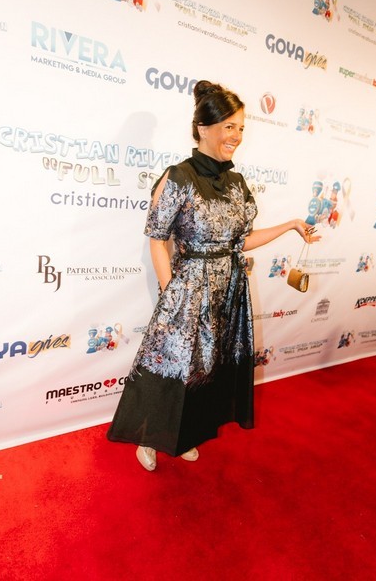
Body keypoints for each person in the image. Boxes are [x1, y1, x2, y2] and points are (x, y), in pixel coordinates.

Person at [107, 80, 320, 471]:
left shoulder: (237, 183)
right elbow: (157, 239)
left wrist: (291, 225)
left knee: (205, 370)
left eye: (240, 127)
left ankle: (187, 433)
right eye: (228, 126)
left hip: (228, 291)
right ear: (203, 128)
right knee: (170, 365)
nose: (236, 135)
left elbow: (241, 241)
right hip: (188, 290)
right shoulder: (179, 177)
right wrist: (172, 292)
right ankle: (149, 439)